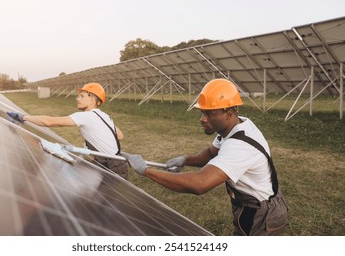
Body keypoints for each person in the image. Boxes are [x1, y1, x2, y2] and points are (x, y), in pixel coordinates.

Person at [121, 78, 288, 235]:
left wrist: (146, 171)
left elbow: (199, 184)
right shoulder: (234, 126)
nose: (202, 119)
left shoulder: (240, 146)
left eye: (209, 114)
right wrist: (185, 159)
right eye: (202, 113)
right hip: (252, 204)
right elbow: (210, 153)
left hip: (262, 213)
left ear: (228, 113)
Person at [7, 82, 129, 180]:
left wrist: (23, 117)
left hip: (113, 167)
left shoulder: (86, 116)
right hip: (114, 162)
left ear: (92, 100)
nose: (77, 98)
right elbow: (120, 135)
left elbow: (49, 122)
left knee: (106, 203)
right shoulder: (104, 116)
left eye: (82, 96)